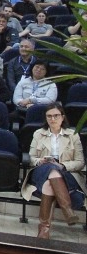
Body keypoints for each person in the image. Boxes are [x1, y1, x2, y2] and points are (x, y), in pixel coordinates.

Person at [21, 102, 86, 239]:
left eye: (56, 116)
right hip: (41, 172)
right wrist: (41, 161)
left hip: (67, 174)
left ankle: (44, 228)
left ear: (62, 117)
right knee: (51, 168)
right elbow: (31, 158)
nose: (52, 119)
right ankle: (67, 211)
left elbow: (80, 162)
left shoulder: (73, 135)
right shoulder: (39, 134)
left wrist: (63, 165)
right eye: (49, 116)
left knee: (50, 183)